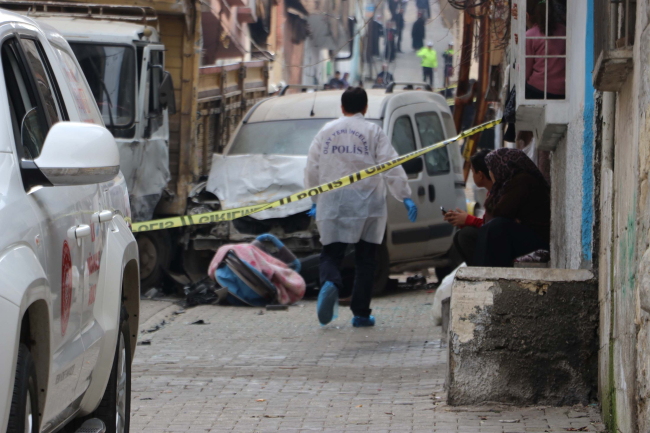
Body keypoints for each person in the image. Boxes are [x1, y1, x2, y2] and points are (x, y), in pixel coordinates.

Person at [304, 87, 418, 327]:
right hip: (368, 203)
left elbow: (312, 168)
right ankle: (361, 314)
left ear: (342, 107)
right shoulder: (373, 131)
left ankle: (330, 282)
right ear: (365, 108)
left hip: (333, 201)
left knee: (331, 253)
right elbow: (391, 163)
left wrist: (315, 200)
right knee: (366, 260)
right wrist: (404, 195)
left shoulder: (326, 131)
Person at [472, 148, 551, 267]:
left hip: (539, 241)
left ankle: (488, 274)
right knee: (486, 230)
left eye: (491, 169)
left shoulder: (521, 181)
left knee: (496, 227)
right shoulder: (509, 183)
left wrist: (494, 190)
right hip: (530, 236)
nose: (490, 173)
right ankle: (480, 272)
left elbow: (499, 212)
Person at [443, 149, 493, 265]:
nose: (472, 175)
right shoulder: (490, 193)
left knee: (465, 235)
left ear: (480, 175)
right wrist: (463, 220)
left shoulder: (497, 193)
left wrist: (468, 219)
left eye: (472, 171)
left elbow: (490, 226)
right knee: (460, 236)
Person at [516, 0, 566, 99]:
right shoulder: (563, 30)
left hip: (538, 90)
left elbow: (524, 72)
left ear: (527, 16)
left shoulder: (529, 36)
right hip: (563, 91)